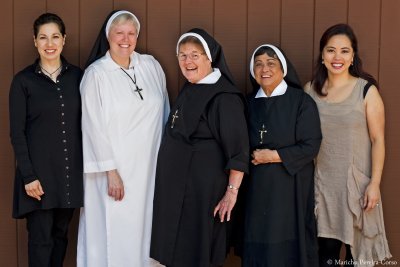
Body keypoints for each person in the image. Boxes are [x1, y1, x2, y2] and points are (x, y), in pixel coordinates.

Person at [77, 10, 169, 267]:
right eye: (119, 33)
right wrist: (110, 171)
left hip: (149, 169)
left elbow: (164, 114)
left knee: (147, 229)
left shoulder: (151, 66)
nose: (125, 39)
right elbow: (92, 126)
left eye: (131, 33)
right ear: (108, 36)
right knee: (114, 231)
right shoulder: (96, 74)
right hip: (114, 172)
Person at [150, 28, 249, 267]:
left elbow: (238, 151)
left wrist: (231, 193)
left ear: (209, 58)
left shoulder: (224, 97)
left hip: (203, 194)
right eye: (182, 55)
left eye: (195, 55)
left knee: (199, 253)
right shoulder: (191, 87)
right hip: (178, 191)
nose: (188, 61)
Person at [304, 23, 392, 267]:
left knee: (357, 259)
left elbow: (378, 140)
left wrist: (374, 184)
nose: (337, 57)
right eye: (331, 50)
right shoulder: (310, 91)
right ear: (322, 55)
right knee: (325, 257)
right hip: (322, 190)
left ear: (353, 55)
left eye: (344, 50)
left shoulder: (366, 91)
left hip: (358, 188)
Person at [9, 13, 83, 267]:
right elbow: (17, 132)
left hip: (68, 176)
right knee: (41, 241)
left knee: (60, 237)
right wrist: (28, 176)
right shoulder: (23, 81)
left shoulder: (78, 77)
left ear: (64, 40)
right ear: (35, 41)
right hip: (37, 179)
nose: (49, 43)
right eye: (43, 37)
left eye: (54, 37)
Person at [242, 44, 322, 267]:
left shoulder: (301, 102)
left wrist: (273, 156)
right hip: (255, 191)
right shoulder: (247, 104)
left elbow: (311, 144)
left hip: (289, 188)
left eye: (271, 63)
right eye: (258, 64)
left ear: (283, 69)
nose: (264, 69)